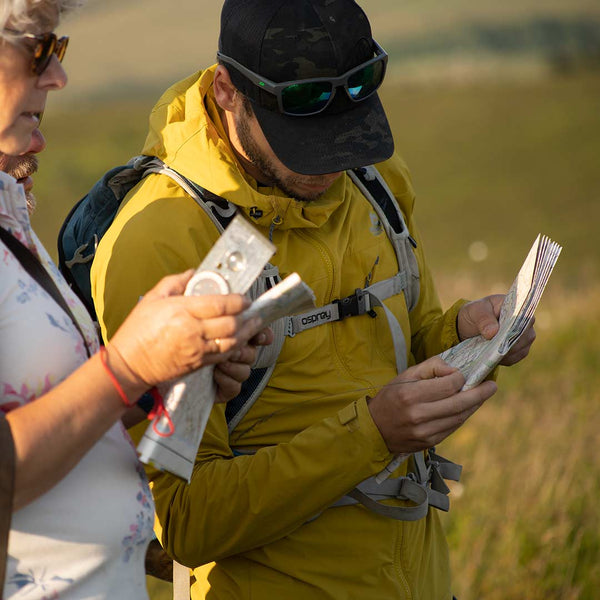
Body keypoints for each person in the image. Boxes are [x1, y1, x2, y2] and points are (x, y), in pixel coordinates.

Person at [91, 0, 536, 598]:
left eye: (346, 136)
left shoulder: (372, 178)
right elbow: (186, 519)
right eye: (302, 141)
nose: (331, 165)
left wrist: (462, 333)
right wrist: (372, 435)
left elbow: (403, 338)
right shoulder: (167, 242)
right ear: (227, 90)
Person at [0, 1, 270, 598]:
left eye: (59, 50)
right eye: (39, 50)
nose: (58, 76)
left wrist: (167, 380)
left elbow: (50, 417)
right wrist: (128, 368)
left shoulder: (9, 210)